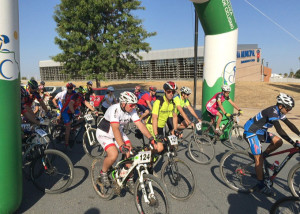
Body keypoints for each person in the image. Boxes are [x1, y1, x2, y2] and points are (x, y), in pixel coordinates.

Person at [96, 91, 156, 190]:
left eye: (134, 105)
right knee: (114, 154)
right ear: (123, 103)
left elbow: (140, 124)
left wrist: (151, 138)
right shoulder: (115, 110)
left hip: (118, 133)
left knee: (131, 153)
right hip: (104, 133)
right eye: (131, 105)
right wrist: (121, 146)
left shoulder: (131, 110)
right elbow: (114, 128)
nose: (133, 107)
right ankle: (103, 172)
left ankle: (128, 178)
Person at [243, 93, 300, 196]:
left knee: (279, 142)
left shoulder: (280, 112)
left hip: (261, 132)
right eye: (288, 109)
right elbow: (279, 129)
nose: (289, 111)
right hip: (251, 132)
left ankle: (263, 156)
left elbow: (290, 125)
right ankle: (260, 186)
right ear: (281, 106)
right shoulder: (272, 112)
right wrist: (292, 143)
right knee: (258, 160)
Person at [146, 81, 179, 153]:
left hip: (160, 126)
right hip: (152, 125)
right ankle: (146, 152)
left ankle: (153, 153)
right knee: (160, 148)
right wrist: (156, 134)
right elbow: (154, 118)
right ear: (164, 91)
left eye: (173, 92)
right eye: (169, 91)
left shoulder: (173, 104)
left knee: (170, 145)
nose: (171, 94)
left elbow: (174, 117)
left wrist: (175, 130)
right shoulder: (159, 102)